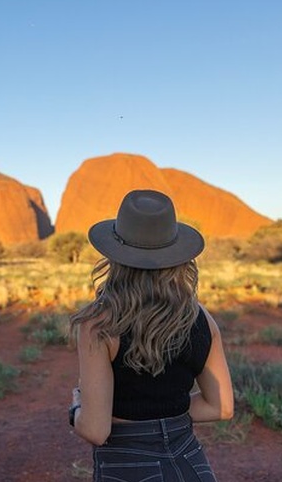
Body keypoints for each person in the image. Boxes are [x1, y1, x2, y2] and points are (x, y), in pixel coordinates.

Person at [68, 189, 234, 482]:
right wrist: (165, 418)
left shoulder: (98, 324)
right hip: (190, 465)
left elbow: (96, 429)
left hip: (127, 467)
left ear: (115, 256)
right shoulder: (201, 318)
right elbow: (220, 407)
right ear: (177, 256)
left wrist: (77, 406)